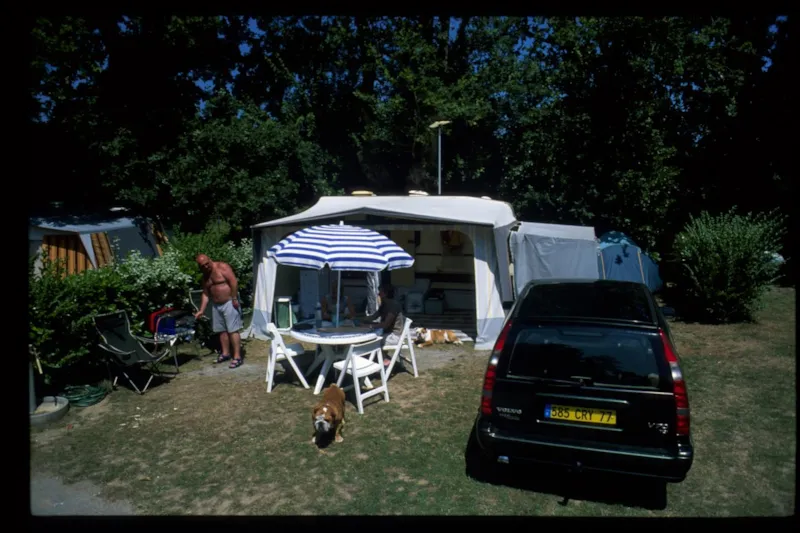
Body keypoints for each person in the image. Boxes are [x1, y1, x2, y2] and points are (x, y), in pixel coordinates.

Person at [193, 253, 244, 368]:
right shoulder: (205, 276)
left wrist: (234, 298)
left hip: (229, 302)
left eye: (207, 264)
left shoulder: (222, 267)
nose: (206, 267)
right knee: (221, 331)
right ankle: (225, 353)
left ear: (210, 259)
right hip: (216, 305)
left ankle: (237, 357)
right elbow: (206, 293)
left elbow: (233, 281)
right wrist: (201, 310)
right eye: (202, 266)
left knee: (233, 330)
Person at [365, 283, 405, 368]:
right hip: (387, 333)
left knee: (372, 341)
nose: (378, 294)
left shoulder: (393, 305)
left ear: (386, 293)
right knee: (368, 337)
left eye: (380, 292)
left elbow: (385, 325)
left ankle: (385, 361)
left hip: (395, 336)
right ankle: (378, 359)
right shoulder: (385, 303)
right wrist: (361, 320)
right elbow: (374, 316)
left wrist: (370, 326)